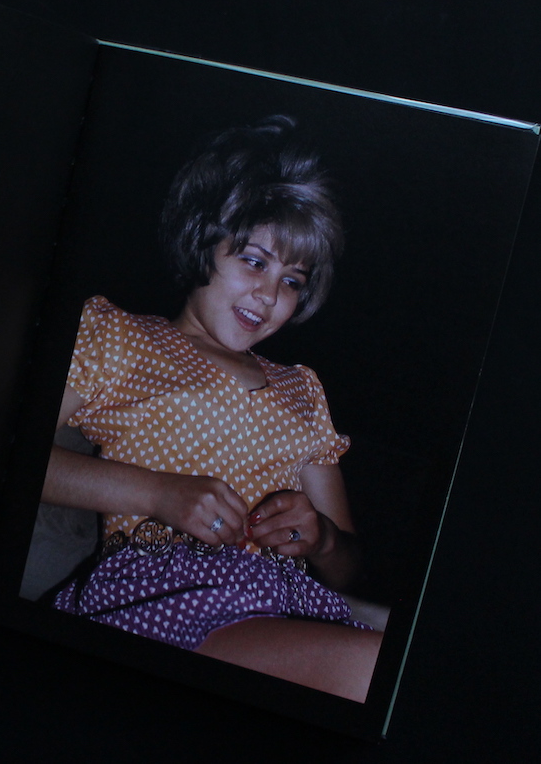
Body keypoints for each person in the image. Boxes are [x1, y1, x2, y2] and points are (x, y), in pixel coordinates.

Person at [41, 116, 382, 702]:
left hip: (287, 602)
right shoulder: (123, 339)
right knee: (374, 673)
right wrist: (157, 493)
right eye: (255, 261)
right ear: (203, 238)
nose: (269, 296)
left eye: (293, 281)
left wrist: (321, 539)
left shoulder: (302, 389)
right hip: (166, 598)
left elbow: (348, 565)